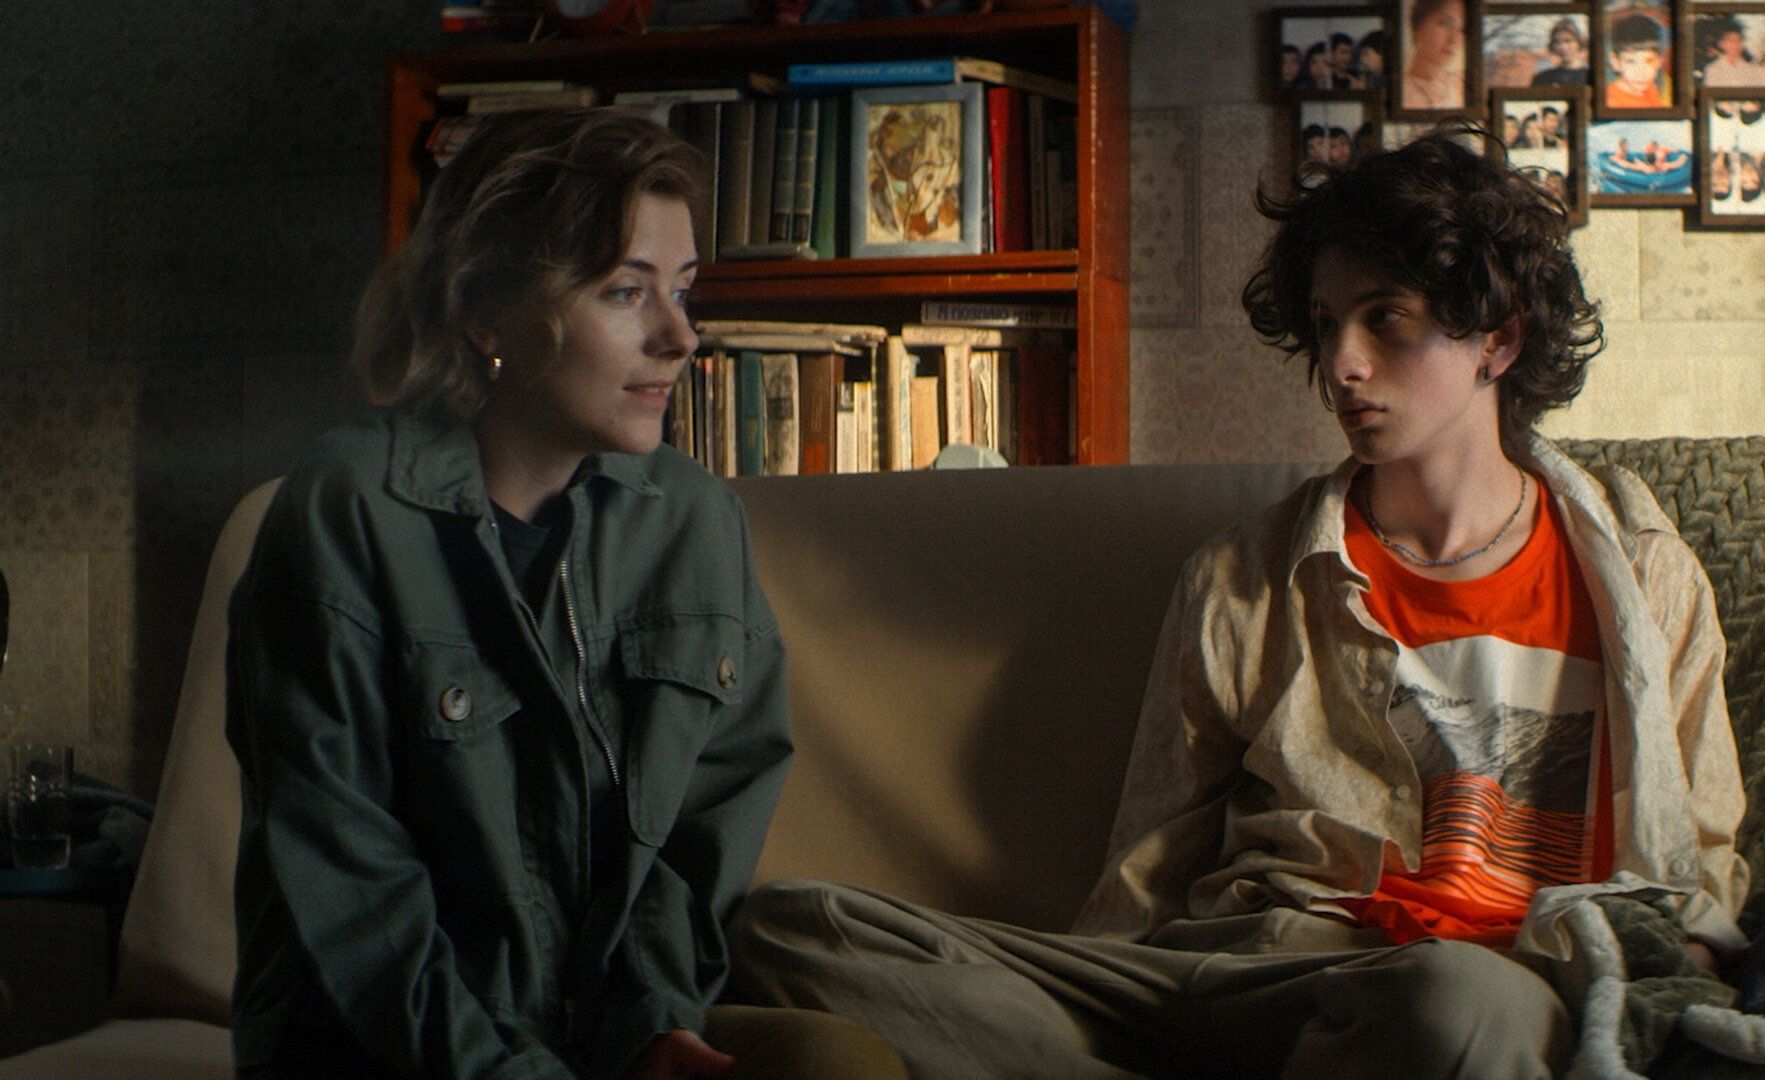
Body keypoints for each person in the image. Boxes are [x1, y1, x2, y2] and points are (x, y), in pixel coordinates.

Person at [725, 125, 1748, 1078]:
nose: (1341, 364)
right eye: (1325, 325)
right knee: (794, 929)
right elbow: (1152, 859)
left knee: (1458, 1002)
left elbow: (1696, 858)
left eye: (1384, 318)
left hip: (1474, 990)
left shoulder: (1641, 575)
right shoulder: (1244, 574)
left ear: (1499, 341)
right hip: (1255, 968)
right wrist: (1101, 996)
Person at [226, 107, 907, 1080]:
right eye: (626, 291)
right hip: (391, 1053)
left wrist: (653, 1025)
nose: (680, 336)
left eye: (683, 289)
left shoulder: (694, 521)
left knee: (839, 1064)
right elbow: (351, 895)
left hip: (599, 1038)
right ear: (486, 313)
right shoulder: (347, 513)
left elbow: (702, 832)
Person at [1402, 0, 1466, 109]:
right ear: (1419, 26)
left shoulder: (1463, 85)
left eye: (1462, 30)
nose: (1454, 39)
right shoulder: (1398, 92)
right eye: (1445, 23)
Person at [1606, 13, 1671, 108]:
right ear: (1615, 62)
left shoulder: (1650, 87)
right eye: (1631, 61)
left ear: (1660, 61)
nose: (1640, 72)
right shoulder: (1611, 101)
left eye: (1648, 61)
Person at [1701, 17, 1765, 88]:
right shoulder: (1712, 70)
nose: (1735, 45)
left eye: (1738, 40)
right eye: (1731, 41)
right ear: (1721, 43)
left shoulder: (1752, 70)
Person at [1532, 16, 1590, 86]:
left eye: (1567, 41)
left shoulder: (1590, 75)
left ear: (1579, 42)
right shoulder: (1544, 76)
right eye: (1557, 42)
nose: (1562, 47)